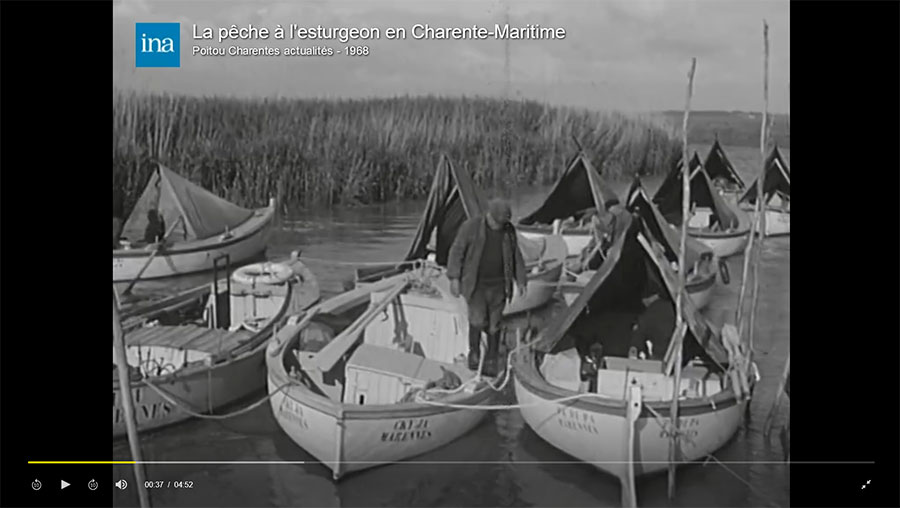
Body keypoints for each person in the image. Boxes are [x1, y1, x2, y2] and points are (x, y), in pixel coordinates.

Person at [447, 198, 526, 375]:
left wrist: (521, 280)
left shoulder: (509, 232)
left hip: (500, 285)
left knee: (494, 325)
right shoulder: (471, 227)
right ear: (490, 217)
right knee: (477, 320)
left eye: (504, 223)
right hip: (476, 285)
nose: (501, 226)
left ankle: (492, 359)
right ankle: (474, 354)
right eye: (499, 222)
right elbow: (457, 250)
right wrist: (454, 278)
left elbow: (516, 257)